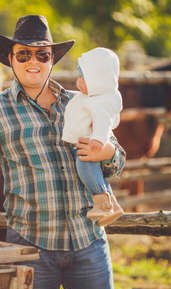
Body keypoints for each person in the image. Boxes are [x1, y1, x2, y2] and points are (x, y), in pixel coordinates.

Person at [0, 15, 126, 289]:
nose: (32, 62)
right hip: (32, 245)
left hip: (89, 241)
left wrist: (108, 153)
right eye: (23, 55)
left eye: (41, 54)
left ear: (52, 60)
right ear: (11, 59)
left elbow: (117, 161)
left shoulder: (81, 103)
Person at [62, 47, 124, 226]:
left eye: (84, 78)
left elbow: (103, 120)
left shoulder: (98, 102)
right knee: (89, 170)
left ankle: (102, 202)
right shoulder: (84, 99)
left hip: (88, 145)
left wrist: (102, 144)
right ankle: (111, 203)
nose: (78, 82)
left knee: (85, 168)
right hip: (83, 144)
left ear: (99, 81)